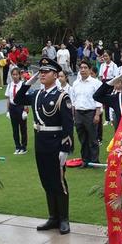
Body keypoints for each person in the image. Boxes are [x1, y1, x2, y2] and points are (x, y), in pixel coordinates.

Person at [14, 58, 74, 234]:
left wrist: (65, 148)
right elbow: (18, 99)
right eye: (41, 71)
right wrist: (28, 82)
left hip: (56, 143)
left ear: (55, 75)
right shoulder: (37, 94)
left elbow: (68, 124)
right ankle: (53, 217)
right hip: (40, 143)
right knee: (46, 181)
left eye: (46, 72)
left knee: (58, 181)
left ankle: (63, 218)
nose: (42, 74)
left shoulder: (62, 96)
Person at [70, 61, 103, 166]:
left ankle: (94, 161)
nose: (83, 70)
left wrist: (97, 114)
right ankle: (85, 160)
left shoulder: (95, 83)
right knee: (82, 138)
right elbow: (73, 100)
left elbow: (99, 100)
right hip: (79, 113)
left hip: (91, 112)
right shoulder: (76, 83)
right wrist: (74, 115)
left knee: (93, 138)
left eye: (85, 68)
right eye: (81, 68)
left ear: (89, 69)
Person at [5, 67, 28, 154]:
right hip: (12, 107)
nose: (15, 76)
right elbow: (8, 98)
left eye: (16, 74)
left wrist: (25, 110)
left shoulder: (23, 85)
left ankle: (23, 147)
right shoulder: (10, 85)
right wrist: (7, 111)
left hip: (21, 107)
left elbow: (26, 98)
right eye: (13, 75)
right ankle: (17, 146)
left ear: (19, 75)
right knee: (15, 129)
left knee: (23, 128)